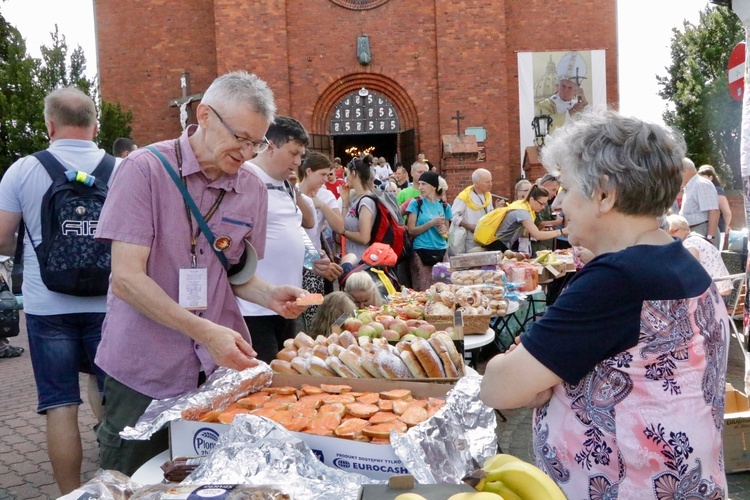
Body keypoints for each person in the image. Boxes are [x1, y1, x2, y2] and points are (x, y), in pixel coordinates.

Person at [480, 110, 729, 498]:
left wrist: (537, 379)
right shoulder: (679, 262)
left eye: (566, 188)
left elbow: (499, 388)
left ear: (604, 194)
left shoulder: (616, 280)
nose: (558, 203)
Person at [93, 72, 311, 476]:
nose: (247, 153)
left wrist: (268, 294)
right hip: (145, 369)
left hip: (216, 373)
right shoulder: (144, 170)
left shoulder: (252, 189)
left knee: (210, 480)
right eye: (240, 138)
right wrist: (205, 331)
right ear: (204, 115)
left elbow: (233, 274)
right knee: (132, 479)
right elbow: (126, 279)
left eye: (256, 142)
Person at [0, 87, 110, 494]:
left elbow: (2, 239)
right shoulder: (119, 169)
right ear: (95, 124)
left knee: (60, 403)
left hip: (47, 305)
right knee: (108, 391)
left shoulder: (23, 169)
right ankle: (114, 480)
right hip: (108, 302)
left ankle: (69, 492)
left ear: (49, 124)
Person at [239, 116, 339, 363]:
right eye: (293, 153)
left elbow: (298, 226)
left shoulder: (285, 183)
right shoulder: (244, 178)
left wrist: (312, 258)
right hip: (253, 307)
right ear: (271, 145)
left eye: (301, 155)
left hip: (288, 304)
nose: (297, 162)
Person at [297, 152, 344, 328]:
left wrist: (321, 205)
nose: (326, 179)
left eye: (328, 174)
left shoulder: (325, 196)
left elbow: (340, 227)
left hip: (314, 264)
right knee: (293, 312)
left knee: (313, 314)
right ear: (309, 171)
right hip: (293, 262)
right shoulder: (292, 192)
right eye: (322, 174)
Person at [484, 185, 565, 254]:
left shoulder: (523, 207)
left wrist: (541, 230)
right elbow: (538, 236)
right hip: (495, 246)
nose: (543, 207)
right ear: (532, 199)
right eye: (542, 204)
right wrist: (562, 231)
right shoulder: (522, 212)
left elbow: (529, 233)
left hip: (501, 245)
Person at [406, 171, 452, 291]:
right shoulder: (416, 203)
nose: (420, 187)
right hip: (421, 251)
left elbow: (447, 234)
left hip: (441, 251)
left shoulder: (445, 206)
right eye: (419, 184)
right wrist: (431, 223)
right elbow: (411, 230)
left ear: (433, 186)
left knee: (444, 289)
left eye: (424, 184)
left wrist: (443, 230)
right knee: (424, 289)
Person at [667, 214, 732, 295]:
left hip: (714, 295)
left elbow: (691, 269)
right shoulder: (696, 238)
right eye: (667, 233)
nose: (669, 235)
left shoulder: (689, 243)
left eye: (672, 231)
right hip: (720, 290)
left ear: (685, 229)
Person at [449, 168, 493, 255]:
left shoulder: (488, 195)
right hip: (469, 239)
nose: (490, 184)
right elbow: (452, 215)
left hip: (484, 237)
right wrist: (469, 226)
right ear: (477, 183)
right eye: (487, 182)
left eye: (491, 181)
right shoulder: (464, 196)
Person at [340, 158, 377, 261]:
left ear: (354, 173)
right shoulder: (356, 198)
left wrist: (343, 232)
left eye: (347, 174)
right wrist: (345, 201)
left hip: (361, 261)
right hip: (352, 256)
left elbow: (364, 238)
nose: (346, 177)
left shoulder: (366, 201)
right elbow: (344, 224)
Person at [679, 157, 720, 249]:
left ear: (684, 171)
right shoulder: (690, 186)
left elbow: (714, 211)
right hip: (695, 232)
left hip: (703, 231)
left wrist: (710, 238)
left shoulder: (701, 184)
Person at [698, 164, 732, 249]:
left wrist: (727, 226)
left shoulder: (717, 190)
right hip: (705, 229)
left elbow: (726, 212)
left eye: (703, 177)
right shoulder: (700, 189)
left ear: (710, 177)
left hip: (718, 229)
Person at [532, 174, 564, 253]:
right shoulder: (536, 202)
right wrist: (557, 222)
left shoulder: (545, 203)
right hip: (538, 246)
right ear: (544, 186)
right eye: (553, 190)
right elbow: (538, 224)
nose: (555, 194)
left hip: (546, 244)